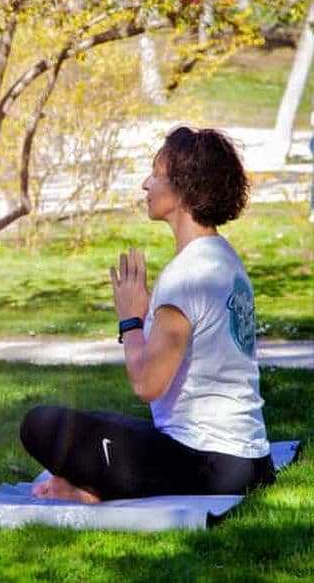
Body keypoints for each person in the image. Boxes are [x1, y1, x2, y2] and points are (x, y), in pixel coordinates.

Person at [20, 126, 275, 503]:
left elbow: (147, 385)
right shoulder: (224, 258)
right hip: (250, 462)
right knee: (98, 421)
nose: (145, 184)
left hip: (207, 466)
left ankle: (94, 490)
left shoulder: (187, 274)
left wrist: (130, 320)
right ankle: (93, 485)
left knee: (40, 424)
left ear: (185, 188)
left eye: (156, 174)